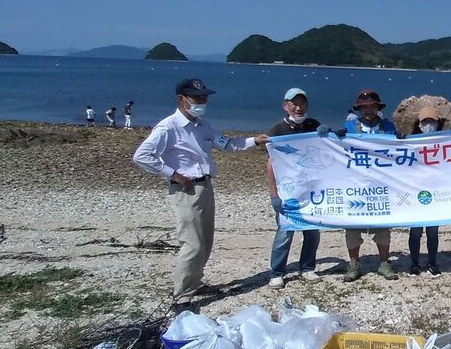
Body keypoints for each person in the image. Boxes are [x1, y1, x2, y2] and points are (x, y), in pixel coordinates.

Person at [132, 78, 269, 311]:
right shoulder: (168, 127)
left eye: (204, 98)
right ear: (181, 100)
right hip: (185, 189)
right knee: (192, 244)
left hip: (205, 186)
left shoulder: (203, 126)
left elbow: (227, 144)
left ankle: (195, 282)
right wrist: (173, 175)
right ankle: (182, 297)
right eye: (197, 98)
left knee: (205, 241)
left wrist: (254, 141)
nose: (202, 102)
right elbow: (142, 156)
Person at [330, 89, 397, 281]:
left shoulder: (389, 128)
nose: (368, 110)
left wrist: (402, 139)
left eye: (372, 106)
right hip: (356, 185)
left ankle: (384, 263)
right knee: (352, 227)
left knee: (383, 227)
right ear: (359, 109)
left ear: (378, 108)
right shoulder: (349, 127)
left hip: (381, 185)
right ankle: (354, 265)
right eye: (364, 107)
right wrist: (330, 137)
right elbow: (336, 151)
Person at [266, 88, 322, 289]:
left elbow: (329, 150)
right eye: (294, 104)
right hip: (288, 191)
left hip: (312, 191)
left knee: (313, 232)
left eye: (302, 103)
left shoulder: (314, 125)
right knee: (285, 232)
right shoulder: (277, 130)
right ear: (285, 105)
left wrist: (333, 134)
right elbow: (271, 164)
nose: (299, 108)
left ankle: (307, 268)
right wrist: (274, 194)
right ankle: (277, 272)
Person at [408, 106, 445, 277]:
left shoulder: (445, 141)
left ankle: (432, 263)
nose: (428, 124)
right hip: (415, 192)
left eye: (432, 121)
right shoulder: (410, 142)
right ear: (419, 123)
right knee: (415, 232)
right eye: (425, 121)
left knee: (432, 232)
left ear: (437, 123)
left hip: (435, 193)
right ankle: (414, 263)